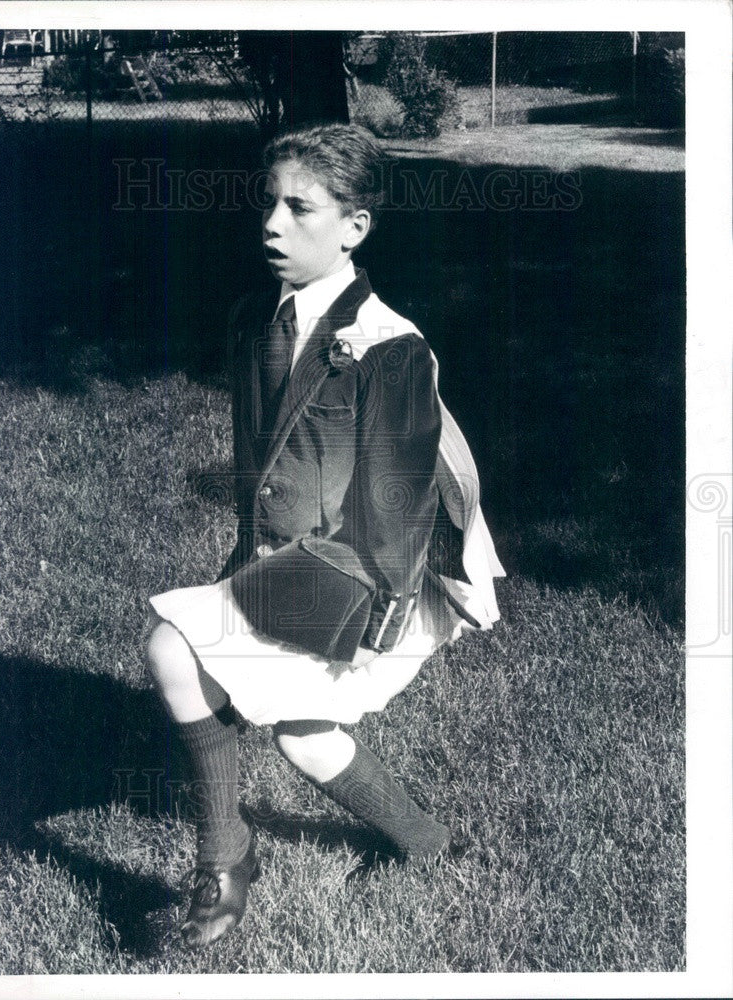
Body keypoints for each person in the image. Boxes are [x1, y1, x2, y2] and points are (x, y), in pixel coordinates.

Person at [146, 123, 505, 949]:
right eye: (266, 203)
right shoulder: (254, 319)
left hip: (366, 577)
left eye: (298, 207)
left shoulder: (389, 348)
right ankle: (428, 844)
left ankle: (225, 856)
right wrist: (249, 564)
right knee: (307, 739)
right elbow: (261, 465)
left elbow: (398, 507)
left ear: (354, 226)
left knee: (173, 647)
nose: (271, 223)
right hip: (283, 558)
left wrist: (353, 610)